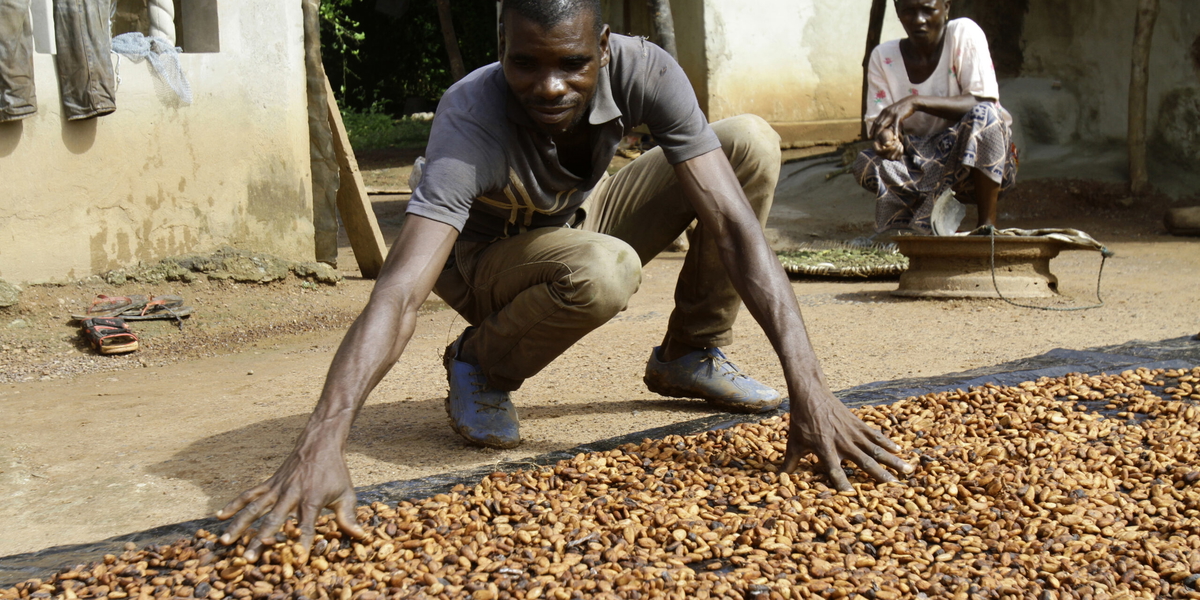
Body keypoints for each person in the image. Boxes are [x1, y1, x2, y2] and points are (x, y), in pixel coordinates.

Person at [215, 0, 912, 562]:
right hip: (489, 259)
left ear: (604, 47)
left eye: (572, 64)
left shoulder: (646, 70)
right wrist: (322, 442)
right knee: (604, 269)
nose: (550, 87)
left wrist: (811, 391)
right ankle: (480, 363)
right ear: (501, 49)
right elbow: (399, 292)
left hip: (583, 215)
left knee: (748, 144)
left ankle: (689, 353)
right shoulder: (469, 116)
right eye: (526, 64)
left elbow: (732, 227)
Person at [853, 0, 1018, 234]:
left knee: (985, 116)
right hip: (922, 161)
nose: (919, 19)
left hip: (975, 161)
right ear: (898, 12)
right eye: (909, 11)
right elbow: (881, 123)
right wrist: (888, 139)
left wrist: (916, 101)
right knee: (866, 163)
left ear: (946, 8)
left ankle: (986, 226)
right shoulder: (883, 56)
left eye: (928, 10)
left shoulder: (963, 33)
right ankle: (911, 229)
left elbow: (982, 101)